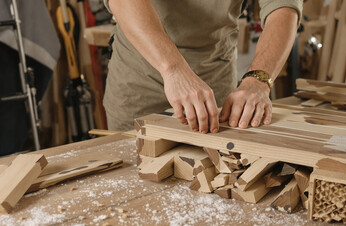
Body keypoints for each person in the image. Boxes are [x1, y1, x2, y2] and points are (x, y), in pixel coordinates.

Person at [103, 0, 302, 133]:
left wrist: (258, 80)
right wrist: (174, 69)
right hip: (140, 76)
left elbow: (283, 8)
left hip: (215, 80)